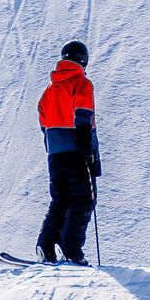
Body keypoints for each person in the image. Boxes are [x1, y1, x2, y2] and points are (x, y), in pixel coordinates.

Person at [35, 40, 101, 266]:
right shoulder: (81, 83)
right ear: (83, 61)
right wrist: (87, 152)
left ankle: (45, 245)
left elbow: (43, 121)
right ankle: (72, 250)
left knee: (60, 199)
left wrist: (53, 148)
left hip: (55, 155)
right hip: (75, 149)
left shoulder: (49, 91)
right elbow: (83, 117)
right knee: (84, 198)